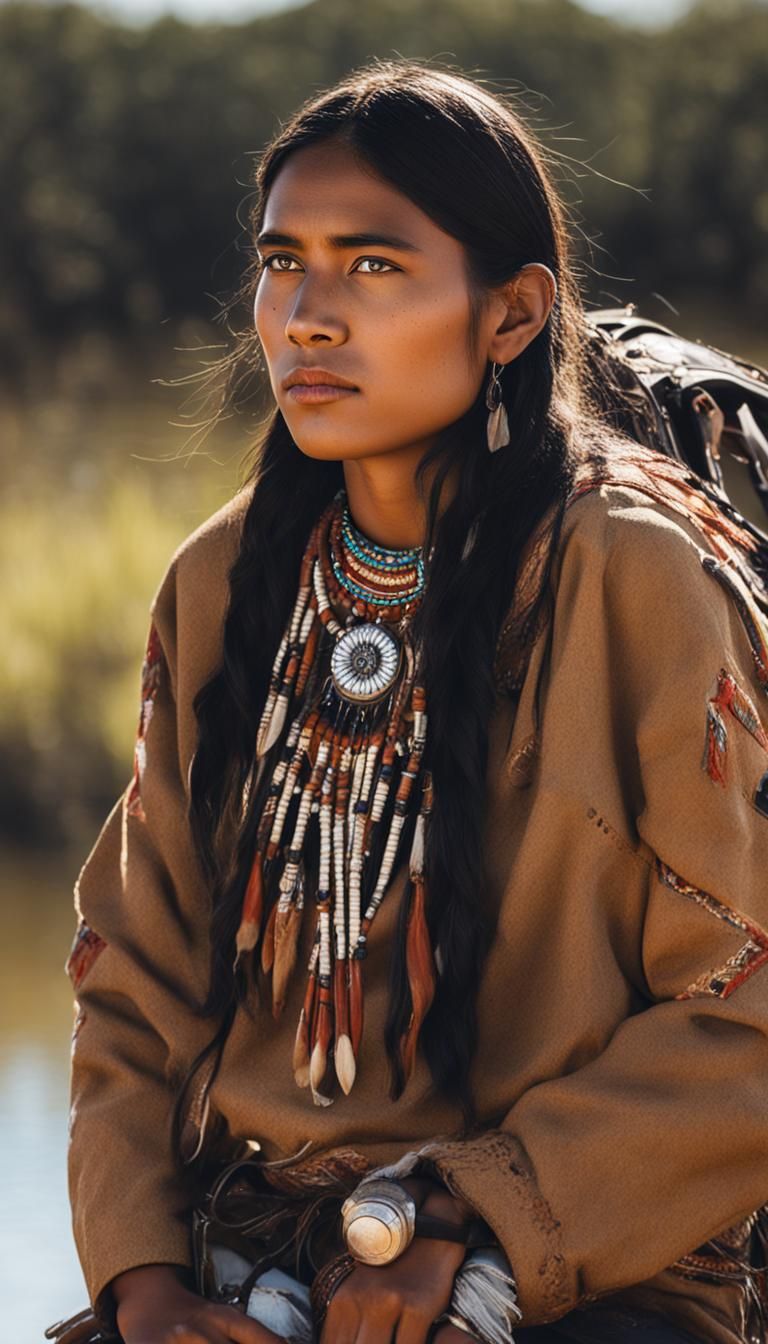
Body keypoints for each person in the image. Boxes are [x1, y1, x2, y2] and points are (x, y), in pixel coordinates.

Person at [60, 59, 768, 1344]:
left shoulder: (633, 574)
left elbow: (750, 1013)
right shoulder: (225, 581)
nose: (307, 315)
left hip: (584, 1270)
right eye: (283, 262)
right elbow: (132, 984)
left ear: (509, 316)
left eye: (373, 267)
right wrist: (142, 1280)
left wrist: (471, 1217)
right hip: (248, 1253)